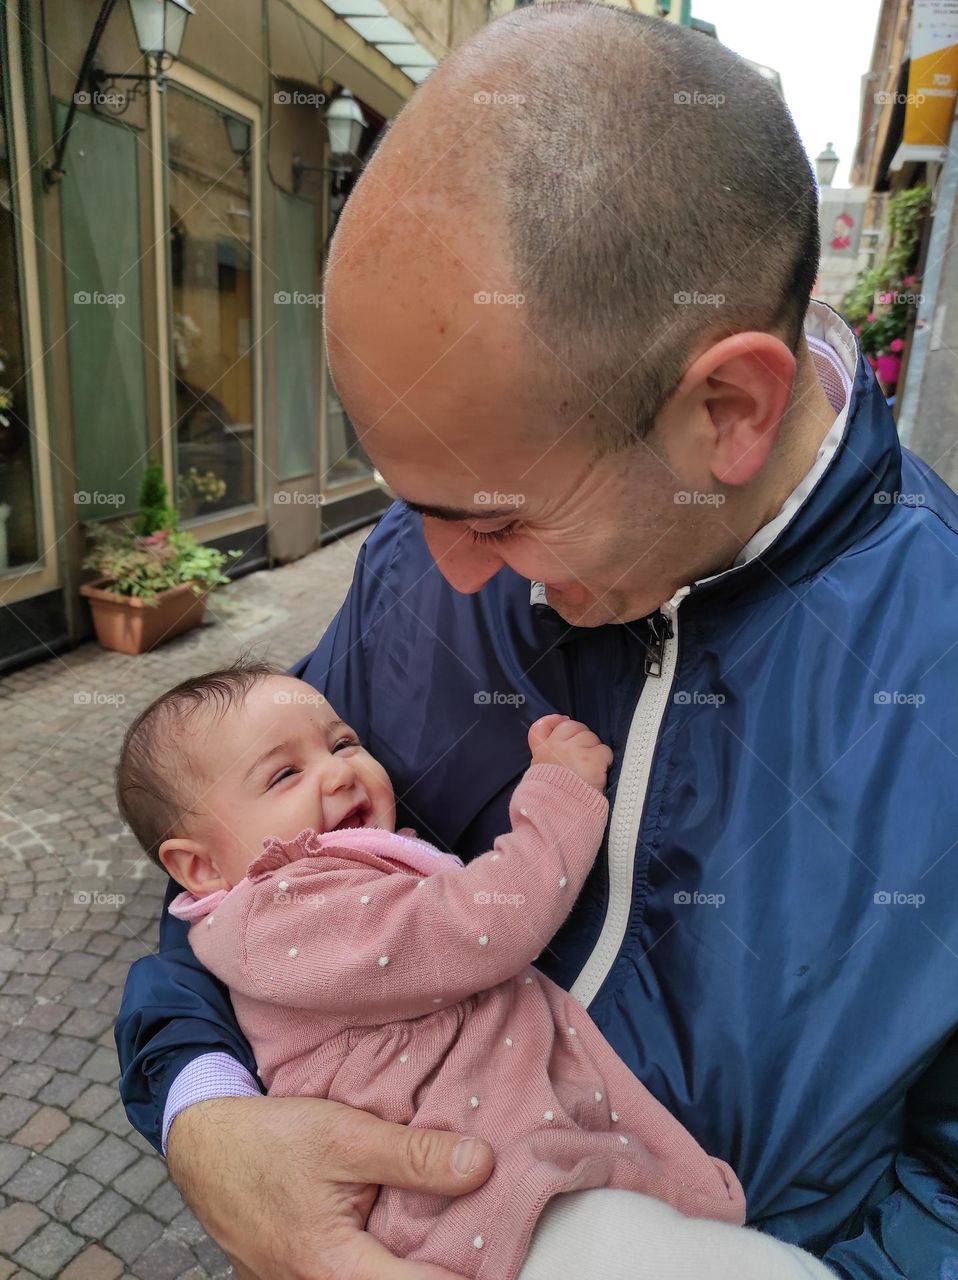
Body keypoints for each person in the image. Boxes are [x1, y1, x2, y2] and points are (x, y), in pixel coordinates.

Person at [116, 6, 958, 1279]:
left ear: (725, 411)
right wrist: (202, 1109)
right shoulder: (418, 565)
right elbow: (243, 874)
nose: (431, 564)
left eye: (493, 515)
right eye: (408, 497)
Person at [118, 665, 831, 1279]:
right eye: (284, 774)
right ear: (200, 867)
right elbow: (476, 925)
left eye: (343, 742)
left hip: (522, 1190)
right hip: (491, 1207)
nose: (339, 770)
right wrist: (556, 794)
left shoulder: (328, 882)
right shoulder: (283, 912)